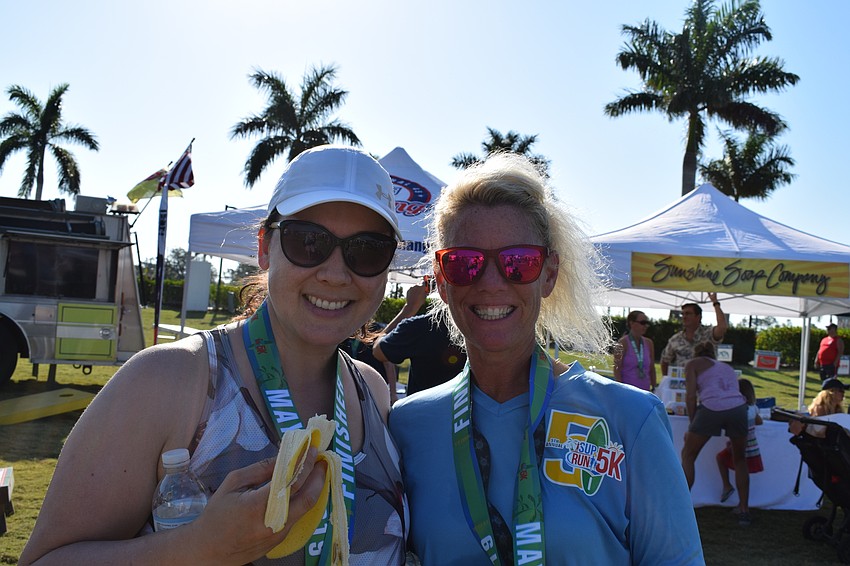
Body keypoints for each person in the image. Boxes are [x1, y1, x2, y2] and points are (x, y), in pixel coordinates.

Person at [20, 145, 407, 565]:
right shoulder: (169, 380)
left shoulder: (371, 390)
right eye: (308, 241)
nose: (335, 273)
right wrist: (198, 548)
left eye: (367, 250)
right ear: (265, 247)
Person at [389, 153, 704, 564]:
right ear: (442, 280)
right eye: (465, 263)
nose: (490, 283)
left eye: (518, 262)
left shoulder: (631, 419)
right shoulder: (407, 425)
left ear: (549, 273)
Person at [681, 341, 751, 526]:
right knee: (740, 459)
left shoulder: (692, 364)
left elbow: (690, 396)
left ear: (696, 353)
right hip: (738, 408)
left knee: (688, 455)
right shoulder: (726, 367)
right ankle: (744, 509)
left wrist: (692, 425)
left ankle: (681, 507)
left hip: (711, 407)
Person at [372, 281, 467, 396]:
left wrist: (410, 308)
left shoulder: (420, 327)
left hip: (423, 410)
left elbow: (378, 351)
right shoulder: (483, 325)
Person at [716, 378, 763, 512]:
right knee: (738, 466)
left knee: (722, 459)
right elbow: (759, 422)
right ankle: (742, 504)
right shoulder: (753, 408)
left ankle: (727, 486)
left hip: (738, 443)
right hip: (751, 444)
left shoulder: (734, 408)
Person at [660, 295, 727, 377]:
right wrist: (667, 380)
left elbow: (722, 327)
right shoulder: (675, 339)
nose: (684, 317)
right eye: (683, 314)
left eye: (688, 314)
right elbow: (665, 361)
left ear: (698, 317)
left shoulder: (708, 334)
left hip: (705, 384)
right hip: (682, 385)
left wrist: (715, 303)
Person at [612, 310, 657, 391]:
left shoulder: (649, 343)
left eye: (647, 323)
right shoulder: (622, 343)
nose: (646, 326)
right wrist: (621, 389)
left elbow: (652, 368)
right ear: (632, 323)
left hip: (645, 391)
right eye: (643, 323)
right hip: (628, 392)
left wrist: (654, 387)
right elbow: (617, 369)